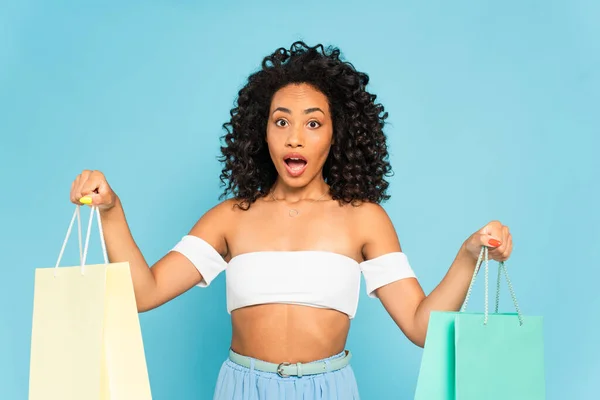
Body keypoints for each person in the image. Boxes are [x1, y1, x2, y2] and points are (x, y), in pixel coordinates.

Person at [69, 42, 512, 399]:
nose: (294, 137)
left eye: (313, 124)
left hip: (329, 388)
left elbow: (421, 327)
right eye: (281, 121)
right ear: (261, 132)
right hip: (241, 387)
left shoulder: (364, 220)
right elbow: (142, 293)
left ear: (337, 134)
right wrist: (111, 209)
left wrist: (469, 255)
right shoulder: (230, 218)